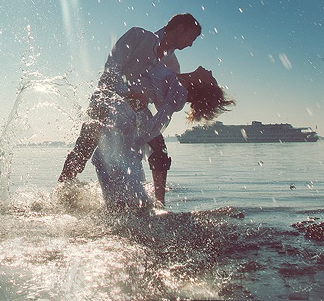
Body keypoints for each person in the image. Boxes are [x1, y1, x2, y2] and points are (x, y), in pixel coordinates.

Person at [58, 13, 201, 184]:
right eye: (191, 37)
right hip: (105, 101)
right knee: (84, 148)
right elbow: (111, 69)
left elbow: (165, 100)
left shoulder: (172, 65)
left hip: (137, 112)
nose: (191, 44)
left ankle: (160, 206)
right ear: (180, 28)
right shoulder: (138, 36)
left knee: (160, 152)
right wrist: (127, 95)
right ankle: (61, 191)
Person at [92, 66, 234, 210]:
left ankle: (156, 208)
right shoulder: (176, 78)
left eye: (211, 78)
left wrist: (134, 107)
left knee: (125, 204)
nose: (209, 71)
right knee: (121, 202)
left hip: (122, 133)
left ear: (202, 85)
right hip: (118, 129)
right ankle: (154, 209)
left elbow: (157, 122)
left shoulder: (179, 92)